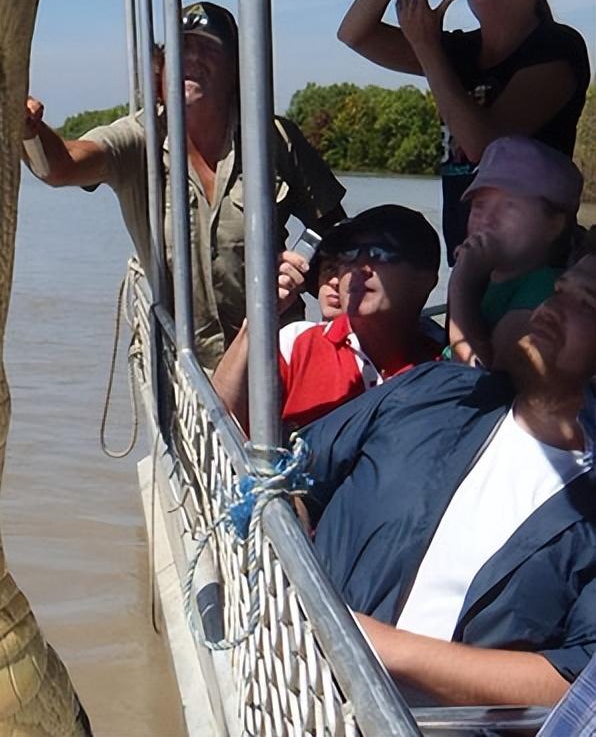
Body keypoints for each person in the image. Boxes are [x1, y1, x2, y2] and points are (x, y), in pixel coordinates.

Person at [297, 254, 596, 706]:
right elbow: (295, 480)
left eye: (587, 305)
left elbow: (577, 681)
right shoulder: (433, 391)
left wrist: (375, 644)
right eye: (558, 292)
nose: (549, 310)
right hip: (287, 686)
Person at [24, 1, 346, 369]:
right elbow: (60, 166)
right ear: (161, 72)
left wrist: (313, 274)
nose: (191, 58)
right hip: (184, 369)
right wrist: (29, 131)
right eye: (181, 49)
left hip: (274, 354)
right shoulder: (138, 139)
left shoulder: (275, 139)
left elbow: (334, 228)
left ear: (236, 71)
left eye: (208, 48)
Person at [338, 0, 590, 260]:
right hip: (468, 255)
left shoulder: (557, 47)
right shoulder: (460, 52)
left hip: (533, 263)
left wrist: (427, 47)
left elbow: (484, 147)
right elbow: (355, 33)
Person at [212, 205, 441, 433]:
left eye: (380, 253)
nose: (359, 267)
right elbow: (215, 423)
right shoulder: (296, 344)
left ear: (425, 280)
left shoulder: (443, 366)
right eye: (349, 254)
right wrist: (258, 316)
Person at [447, 136, 583, 369]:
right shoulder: (488, 280)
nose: (487, 219)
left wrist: (461, 283)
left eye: (509, 207)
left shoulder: (544, 289)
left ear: (554, 225)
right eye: (479, 206)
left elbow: (481, 378)